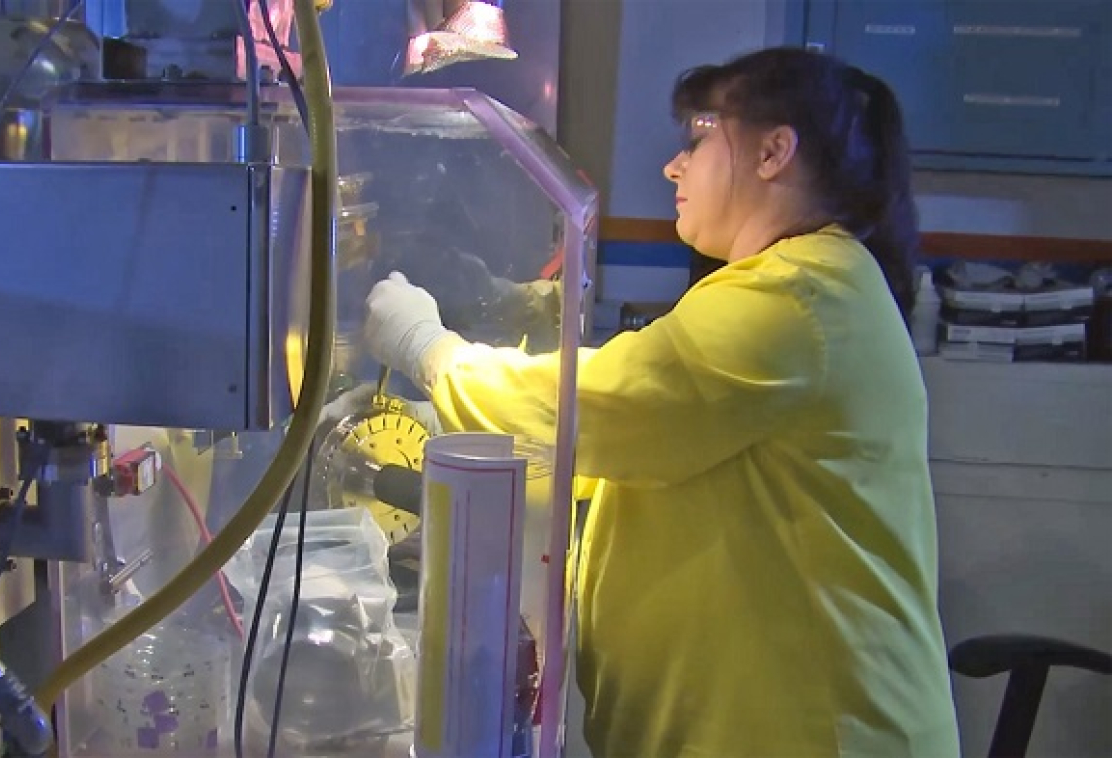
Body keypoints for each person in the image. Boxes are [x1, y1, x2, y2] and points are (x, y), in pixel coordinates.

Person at [358, 47, 961, 757]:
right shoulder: (804, 286)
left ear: (773, 151)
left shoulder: (796, 302)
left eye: (699, 137)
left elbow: (593, 407)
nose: (675, 167)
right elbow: (657, 434)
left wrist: (430, 351)